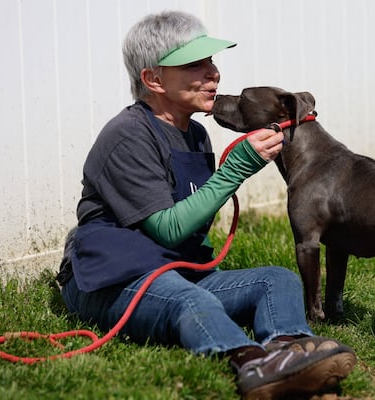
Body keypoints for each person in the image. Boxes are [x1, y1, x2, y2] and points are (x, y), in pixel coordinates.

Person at [56, 10, 356, 399]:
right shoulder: (127, 135)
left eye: (211, 62)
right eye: (194, 65)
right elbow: (168, 228)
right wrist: (235, 170)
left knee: (276, 279)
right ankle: (251, 363)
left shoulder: (195, 133)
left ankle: (293, 349)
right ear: (153, 79)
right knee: (189, 299)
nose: (213, 73)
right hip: (110, 278)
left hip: (173, 269)